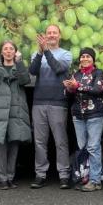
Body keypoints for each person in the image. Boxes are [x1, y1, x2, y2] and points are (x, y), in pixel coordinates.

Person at [28, 24, 73, 189]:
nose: (52, 35)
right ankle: (40, 174)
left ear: (59, 36)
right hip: (39, 102)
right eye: (49, 33)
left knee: (60, 141)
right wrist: (40, 53)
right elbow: (32, 71)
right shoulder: (37, 53)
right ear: (45, 36)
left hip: (58, 103)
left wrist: (46, 51)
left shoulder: (66, 54)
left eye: (54, 33)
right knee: (40, 141)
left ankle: (64, 175)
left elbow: (59, 69)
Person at [0, 40, 31, 190]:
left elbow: (25, 80)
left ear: (15, 52)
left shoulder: (19, 67)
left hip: (15, 112)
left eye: (11, 49)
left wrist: (20, 62)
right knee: (1, 146)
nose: (8, 51)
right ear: (1, 52)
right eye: (5, 49)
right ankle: (2, 178)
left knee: (14, 145)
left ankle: (10, 177)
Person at [64, 47, 103, 192]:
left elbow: (97, 90)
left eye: (88, 56)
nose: (85, 59)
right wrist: (69, 89)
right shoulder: (75, 74)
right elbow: (68, 96)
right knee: (83, 148)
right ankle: (86, 177)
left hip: (95, 114)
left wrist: (78, 86)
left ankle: (96, 180)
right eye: (82, 56)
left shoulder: (98, 73)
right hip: (78, 116)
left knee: (93, 147)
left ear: (93, 59)